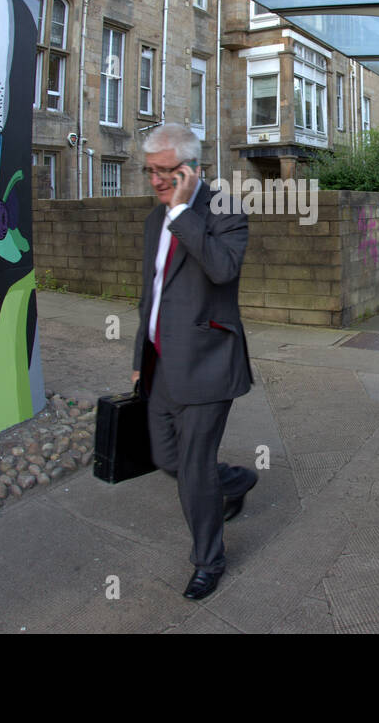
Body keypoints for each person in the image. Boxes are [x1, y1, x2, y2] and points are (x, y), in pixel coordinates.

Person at [131, 124, 257, 600]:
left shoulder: (223, 207)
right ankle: (238, 480)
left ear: (192, 170)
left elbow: (223, 269)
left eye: (167, 172)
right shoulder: (151, 222)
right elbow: (152, 296)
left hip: (208, 361)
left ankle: (209, 561)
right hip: (162, 362)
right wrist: (140, 358)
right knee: (165, 457)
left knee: (193, 470)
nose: (157, 182)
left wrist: (184, 211)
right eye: (151, 172)